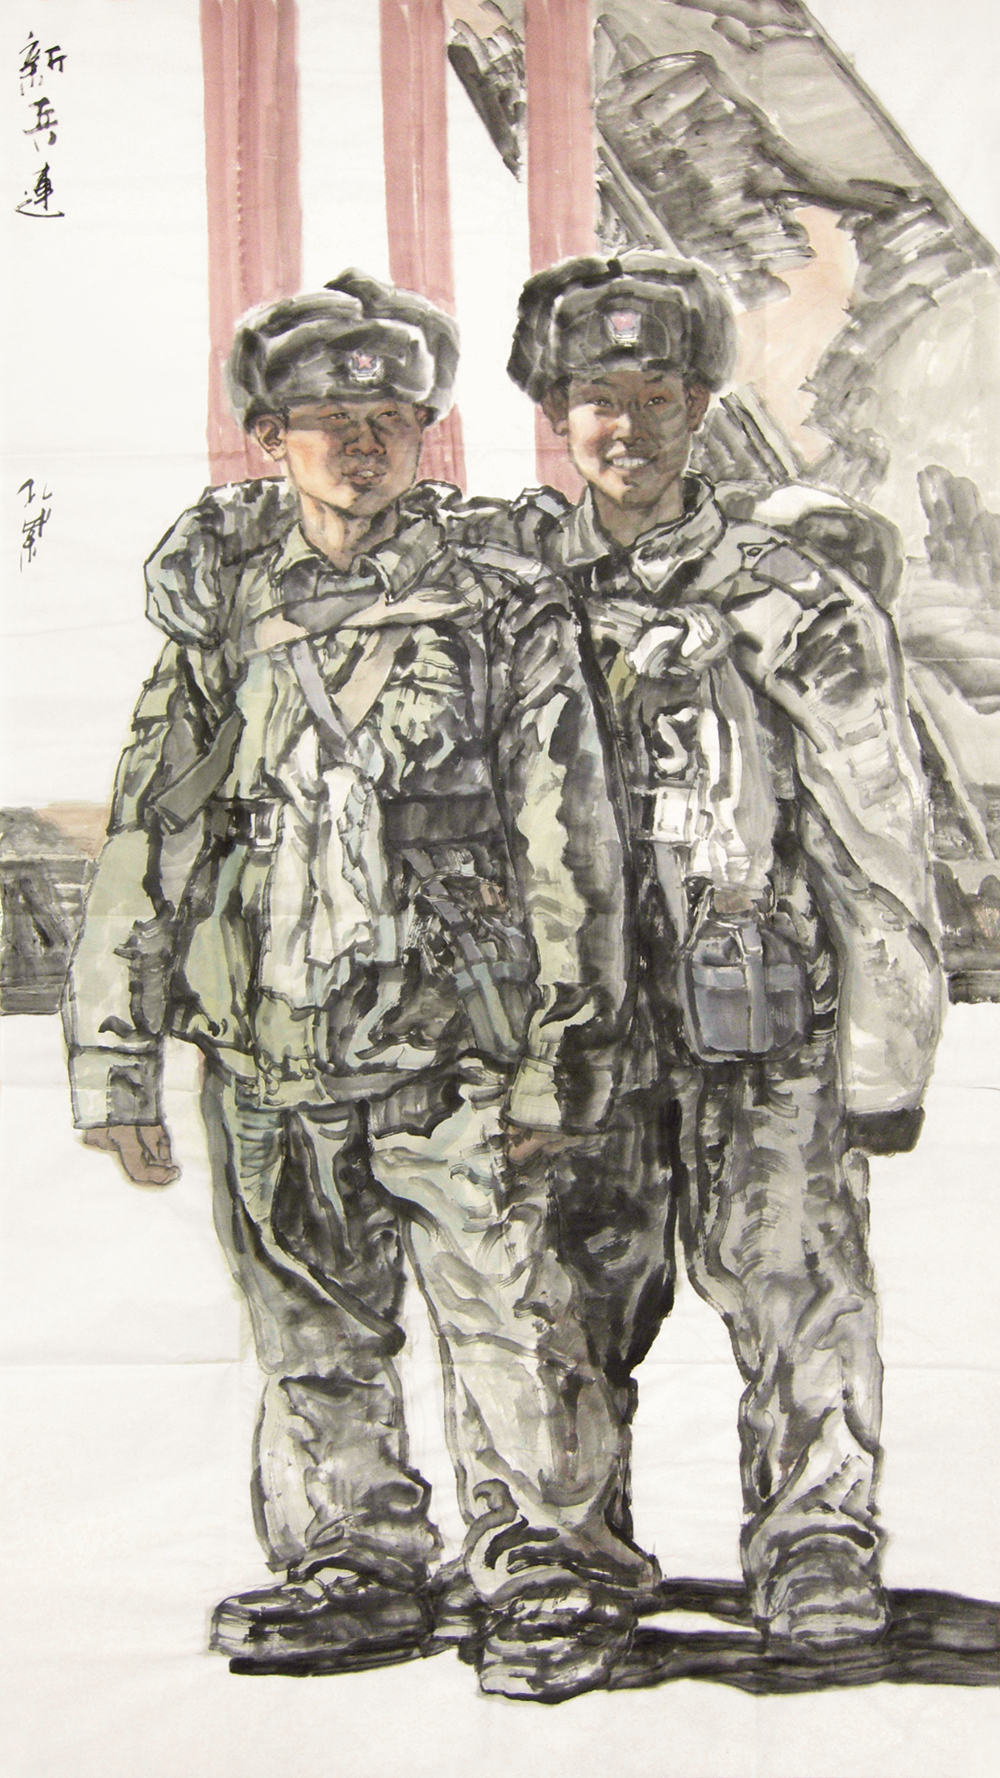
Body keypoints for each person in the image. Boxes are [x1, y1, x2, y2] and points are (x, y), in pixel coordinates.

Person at [63, 271, 656, 1702]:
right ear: (269, 437)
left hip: (459, 1037)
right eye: (327, 419)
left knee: (514, 1317)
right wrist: (114, 1051)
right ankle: (356, 1562)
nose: (363, 442)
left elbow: (567, 834)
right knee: (310, 1331)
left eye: (391, 415)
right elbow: (155, 828)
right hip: (272, 1035)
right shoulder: (221, 611)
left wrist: (564, 1049)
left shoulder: (502, 604)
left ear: (424, 431)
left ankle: (550, 1571)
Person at [476, 250, 945, 1650]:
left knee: (796, 1277)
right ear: (556, 412)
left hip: (761, 1016)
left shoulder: (793, 601)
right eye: (596, 397)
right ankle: (562, 1552)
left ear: (700, 404)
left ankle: (816, 1542)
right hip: (571, 1027)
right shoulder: (497, 602)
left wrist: (888, 1055)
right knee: (557, 1291)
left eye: (657, 393)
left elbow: (875, 832)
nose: (625, 425)